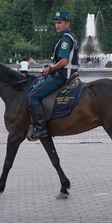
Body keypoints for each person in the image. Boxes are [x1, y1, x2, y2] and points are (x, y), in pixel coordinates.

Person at [27, 10, 79, 139]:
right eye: (56, 23)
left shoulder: (66, 38)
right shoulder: (66, 36)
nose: (57, 25)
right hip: (64, 74)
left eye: (60, 22)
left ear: (67, 23)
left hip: (62, 76)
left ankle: (41, 128)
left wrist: (50, 69)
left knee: (32, 96)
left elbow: (64, 61)